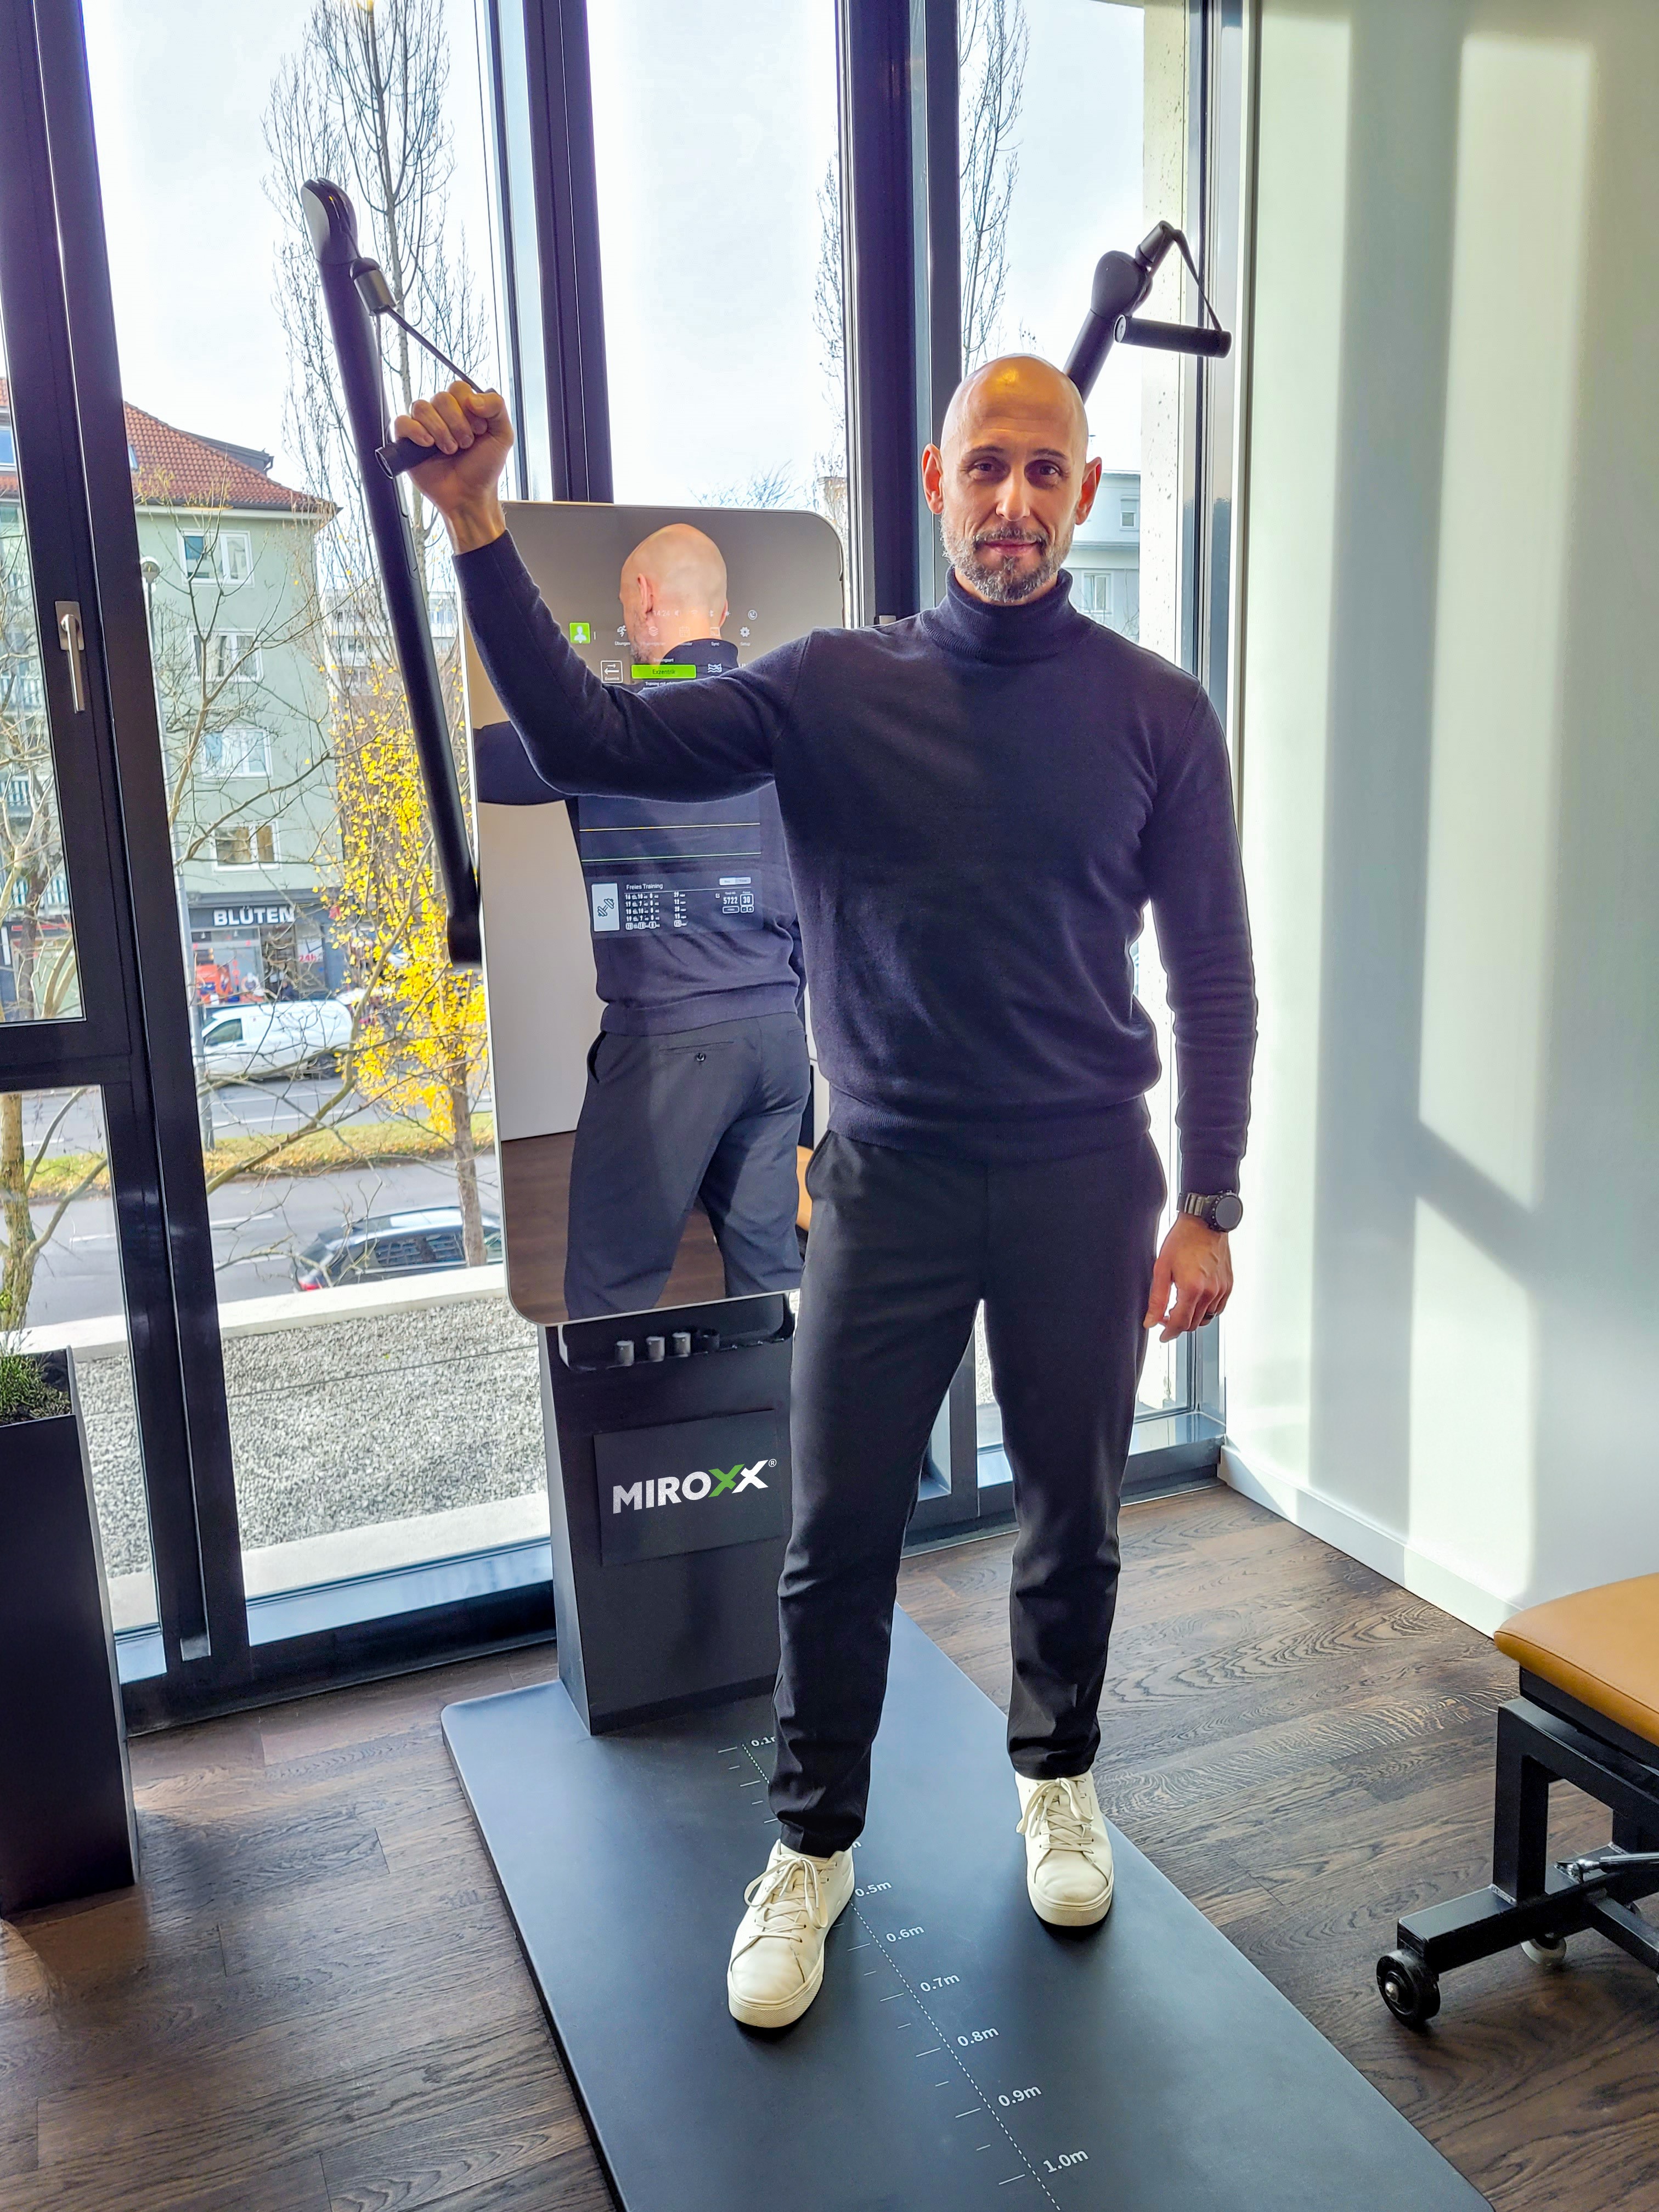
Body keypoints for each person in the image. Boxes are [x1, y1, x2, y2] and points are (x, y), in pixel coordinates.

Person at [396, 354, 1256, 2032]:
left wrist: (1209, 1198)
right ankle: (810, 1848)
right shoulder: (832, 690)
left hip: (1089, 1175)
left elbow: (1214, 971)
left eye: (1046, 470)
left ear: (1084, 493)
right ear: (936, 487)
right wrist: (478, 525)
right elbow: (586, 735)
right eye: (985, 467)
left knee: (1071, 1517)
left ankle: (1058, 1777)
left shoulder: (1156, 712)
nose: (1014, 499)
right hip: (889, 1176)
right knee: (836, 1534)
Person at [473, 522, 809, 1318]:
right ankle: (777, 1405)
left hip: (669, 1046)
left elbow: (473, 760)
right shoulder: (786, 726)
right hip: (776, 1041)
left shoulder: (606, 729)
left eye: (628, 608)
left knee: (610, 1294)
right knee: (770, 1278)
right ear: (720, 612)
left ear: (646, 599)